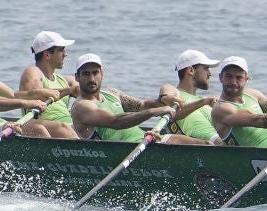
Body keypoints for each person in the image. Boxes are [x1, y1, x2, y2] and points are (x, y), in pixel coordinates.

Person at [71, 53, 212, 144]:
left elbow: (143, 105)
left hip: (146, 140)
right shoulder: (81, 106)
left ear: (102, 74)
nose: (91, 78)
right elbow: (115, 121)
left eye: (95, 73)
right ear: (77, 77)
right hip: (123, 153)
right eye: (86, 74)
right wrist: (153, 112)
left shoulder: (112, 93)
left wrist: (162, 100)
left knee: (206, 145)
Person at [17, 30, 81, 139]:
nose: (65, 54)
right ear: (47, 55)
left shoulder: (65, 80)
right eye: (61, 50)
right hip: (43, 129)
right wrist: (69, 91)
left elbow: (89, 92)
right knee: (63, 128)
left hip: (69, 128)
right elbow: (35, 96)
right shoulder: (32, 72)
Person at [157, 49, 221, 142]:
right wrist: (166, 98)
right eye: (206, 68)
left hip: (221, 142)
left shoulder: (206, 102)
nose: (209, 74)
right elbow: (165, 97)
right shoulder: (175, 92)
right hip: (204, 146)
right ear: (191, 70)